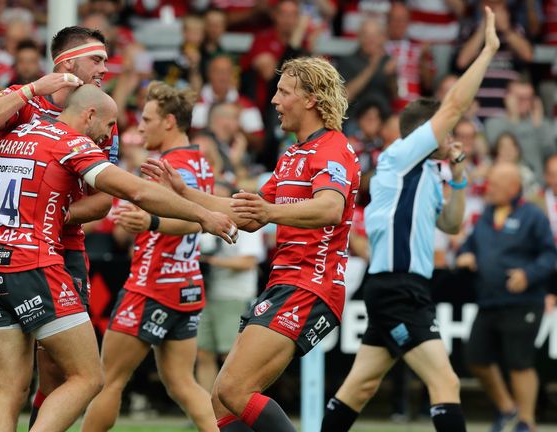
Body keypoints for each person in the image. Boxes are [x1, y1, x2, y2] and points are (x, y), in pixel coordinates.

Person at [0, 84, 236, 432]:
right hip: (36, 265)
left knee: (8, 391)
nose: (111, 135)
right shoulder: (71, 143)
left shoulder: (16, 136)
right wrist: (202, 215)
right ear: (89, 114)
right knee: (90, 377)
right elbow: (136, 190)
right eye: (110, 124)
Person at [143, 55, 359, 432]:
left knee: (235, 389)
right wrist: (185, 192)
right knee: (221, 397)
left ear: (310, 99)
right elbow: (244, 211)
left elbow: (330, 207)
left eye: (283, 92)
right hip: (286, 285)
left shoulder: (331, 150)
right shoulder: (293, 155)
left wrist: (270, 214)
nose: (274, 101)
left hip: (311, 285)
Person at [320, 8, 501, 432]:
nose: (453, 138)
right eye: (447, 133)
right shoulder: (401, 156)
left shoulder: (428, 173)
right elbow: (455, 104)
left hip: (401, 286)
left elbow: (452, 226)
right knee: (446, 381)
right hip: (400, 287)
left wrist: (457, 177)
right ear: (427, 134)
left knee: (358, 388)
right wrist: (489, 49)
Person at [0, 26, 119, 426]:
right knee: (2, 376)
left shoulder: (101, 114)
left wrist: (56, 211)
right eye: (97, 60)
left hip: (63, 252)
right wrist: (32, 89)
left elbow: (105, 197)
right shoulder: (23, 100)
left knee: (57, 373)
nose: (105, 68)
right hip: (13, 249)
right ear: (68, 64)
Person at [82, 82, 219, 432]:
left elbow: (193, 221)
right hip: (186, 286)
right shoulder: (200, 161)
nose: (140, 127)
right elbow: (200, 218)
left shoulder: (171, 166)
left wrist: (150, 220)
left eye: (147, 119)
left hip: (152, 286)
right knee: (182, 383)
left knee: (105, 380)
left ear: (169, 122)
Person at [456, 163, 556, 432]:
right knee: (476, 358)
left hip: (523, 301)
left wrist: (528, 274)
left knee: (519, 363)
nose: (490, 189)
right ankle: (507, 409)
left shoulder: (533, 216)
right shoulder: (486, 215)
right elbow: (468, 245)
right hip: (488, 301)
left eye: (496, 186)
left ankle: (527, 421)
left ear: (514, 188)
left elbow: (550, 255)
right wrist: (464, 255)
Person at [196, 182, 266, 393]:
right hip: (206, 294)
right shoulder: (205, 223)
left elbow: (248, 262)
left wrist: (210, 262)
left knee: (231, 356)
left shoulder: (247, 224)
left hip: (234, 296)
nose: (215, 202)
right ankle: (206, 412)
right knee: (203, 353)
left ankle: (230, 409)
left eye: (220, 198)